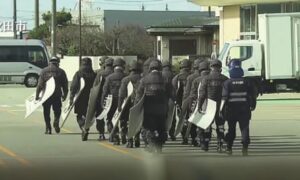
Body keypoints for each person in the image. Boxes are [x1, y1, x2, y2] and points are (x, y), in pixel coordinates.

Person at [135, 60, 172, 153]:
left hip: (149, 109)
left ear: (150, 69)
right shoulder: (165, 79)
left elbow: (139, 95)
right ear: (160, 68)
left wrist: (137, 107)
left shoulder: (144, 79)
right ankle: (159, 146)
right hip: (162, 109)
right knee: (161, 128)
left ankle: (151, 145)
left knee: (149, 128)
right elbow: (171, 93)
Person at [222, 59, 257, 156]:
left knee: (231, 129)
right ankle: (245, 149)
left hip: (231, 111)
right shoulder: (247, 81)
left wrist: (221, 111)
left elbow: (224, 98)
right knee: (245, 129)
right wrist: (253, 105)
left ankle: (229, 148)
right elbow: (253, 95)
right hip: (244, 110)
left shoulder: (227, 83)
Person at [198, 59, 228, 152]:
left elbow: (202, 94)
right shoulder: (225, 79)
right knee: (220, 126)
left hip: (210, 104)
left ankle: (206, 144)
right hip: (221, 105)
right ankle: (220, 144)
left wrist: (199, 106)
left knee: (207, 126)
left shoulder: (205, 79)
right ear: (220, 68)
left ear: (211, 67)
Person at [36, 56, 68, 134]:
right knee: (57, 111)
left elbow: (40, 85)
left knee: (46, 112)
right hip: (57, 95)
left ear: (49, 62)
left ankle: (48, 128)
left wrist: (37, 95)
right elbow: (65, 85)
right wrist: (65, 95)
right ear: (58, 63)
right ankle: (56, 122)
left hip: (46, 96)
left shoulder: (44, 71)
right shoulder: (61, 71)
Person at [101, 58, 126, 145]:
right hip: (124, 101)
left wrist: (103, 102)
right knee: (123, 119)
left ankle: (115, 137)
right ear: (123, 66)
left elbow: (105, 91)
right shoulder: (126, 77)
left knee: (110, 119)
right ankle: (124, 133)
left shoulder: (109, 78)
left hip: (112, 101)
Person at [118, 61, 142, 148]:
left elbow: (121, 95)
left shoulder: (125, 80)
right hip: (139, 104)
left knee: (125, 121)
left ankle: (129, 140)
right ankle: (137, 138)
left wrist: (119, 106)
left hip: (127, 104)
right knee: (137, 121)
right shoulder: (142, 79)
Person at [69, 57, 96, 130]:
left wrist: (71, 97)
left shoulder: (79, 73)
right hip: (91, 98)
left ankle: (82, 125)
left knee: (79, 115)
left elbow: (74, 86)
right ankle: (86, 125)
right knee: (88, 114)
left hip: (80, 98)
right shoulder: (94, 74)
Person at [181, 58, 202, 146]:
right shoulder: (206, 76)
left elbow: (187, 93)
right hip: (203, 102)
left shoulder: (190, 77)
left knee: (189, 122)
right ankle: (200, 139)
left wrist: (184, 105)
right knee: (200, 121)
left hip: (191, 102)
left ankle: (189, 139)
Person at [170, 59, 191, 142]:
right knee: (189, 119)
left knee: (182, 119)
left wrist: (176, 102)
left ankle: (184, 136)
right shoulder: (192, 76)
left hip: (180, 102)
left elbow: (173, 91)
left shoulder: (176, 77)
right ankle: (190, 136)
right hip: (191, 101)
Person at [94, 57, 114, 141]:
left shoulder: (100, 74)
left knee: (100, 116)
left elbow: (96, 86)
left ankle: (101, 134)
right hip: (113, 98)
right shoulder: (114, 73)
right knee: (111, 117)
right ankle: (112, 133)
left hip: (101, 98)